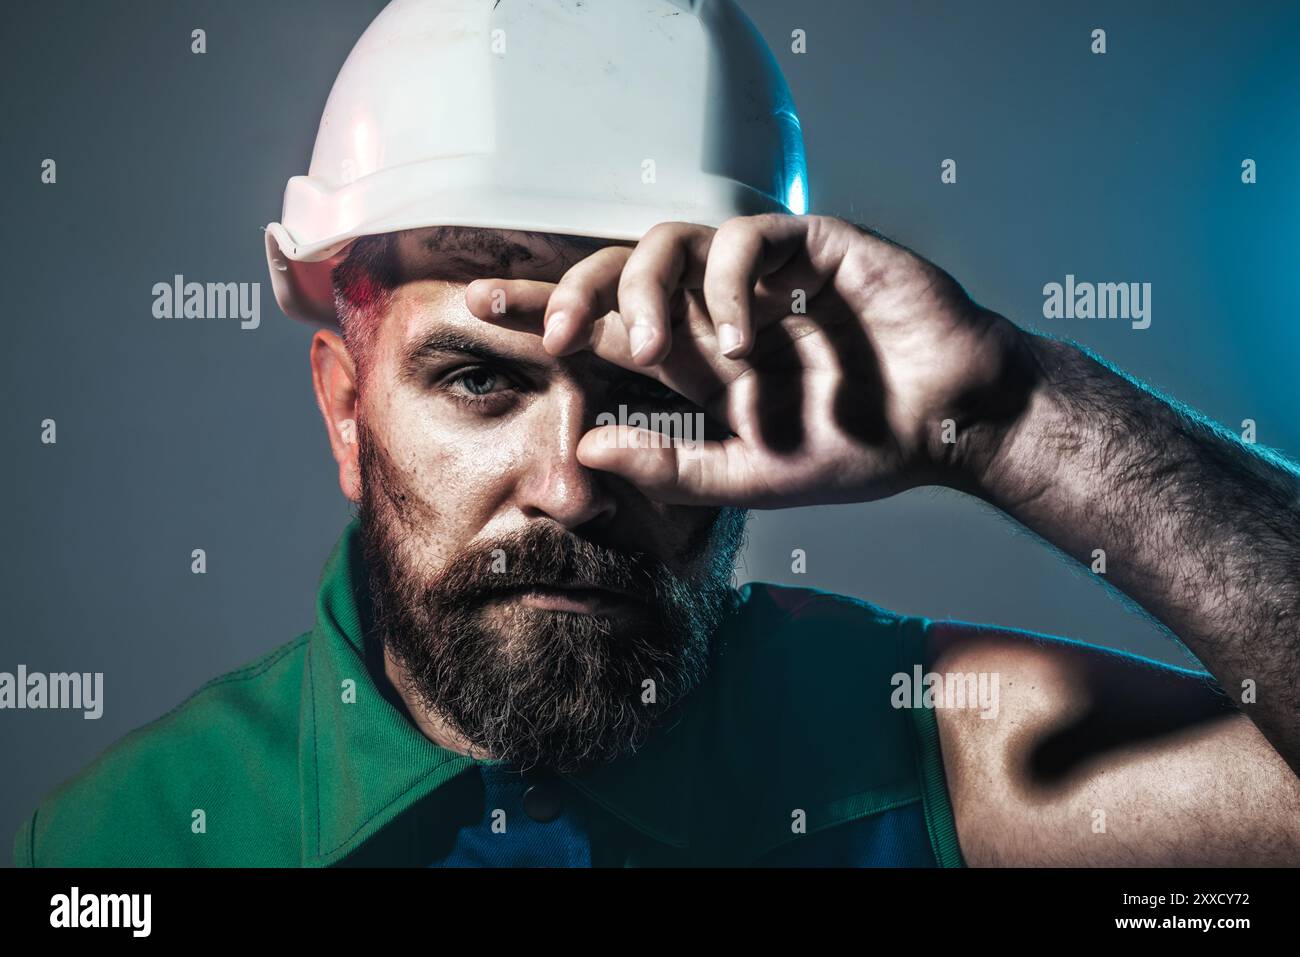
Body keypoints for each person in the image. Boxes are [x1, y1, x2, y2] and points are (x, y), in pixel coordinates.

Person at [15, 0, 1299, 868]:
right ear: (348, 411)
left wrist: (1013, 419)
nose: (571, 486)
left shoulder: (927, 746)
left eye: (657, 389)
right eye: (479, 381)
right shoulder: (116, 851)